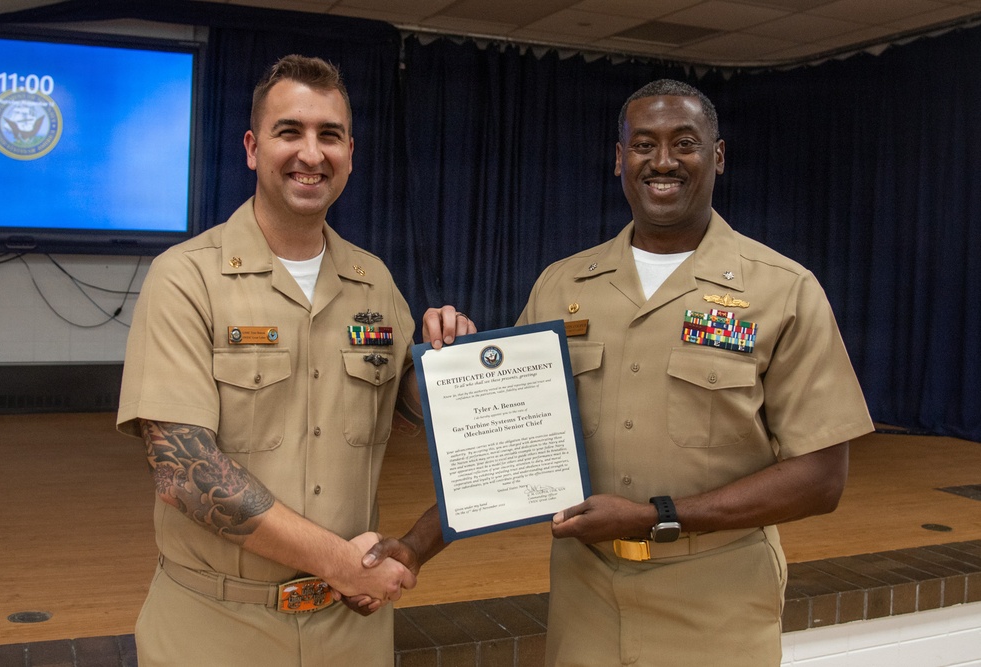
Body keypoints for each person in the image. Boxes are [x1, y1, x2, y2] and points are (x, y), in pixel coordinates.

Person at [363, 79, 874, 665]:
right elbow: (506, 452)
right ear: (619, 159)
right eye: (643, 144)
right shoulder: (562, 285)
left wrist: (657, 517)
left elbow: (821, 479)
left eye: (685, 143)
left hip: (718, 594)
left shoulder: (783, 290)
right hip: (586, 596)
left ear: (718, 156)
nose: (663, 161)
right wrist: (416, 546)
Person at [116, 55, 472, 666]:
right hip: (216, 630)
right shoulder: (186, 278)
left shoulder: (374, 282)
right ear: (253, 148)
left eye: (329, 135)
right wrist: (343, 563)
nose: (312, 153)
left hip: (350, 632)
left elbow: (401, 412)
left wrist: (446, 363)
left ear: (350, 154)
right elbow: (187, 474)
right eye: (290, 131)